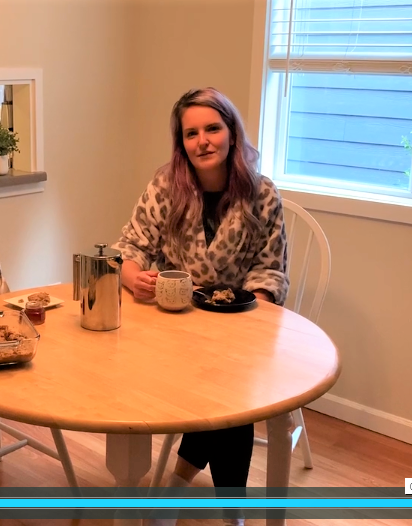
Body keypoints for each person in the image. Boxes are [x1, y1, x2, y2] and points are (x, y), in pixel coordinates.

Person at [111, 87, 290, 526]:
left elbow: (270, 272)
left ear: (232, 133)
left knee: (230, 396)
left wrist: (248, 312)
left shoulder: (261, 193)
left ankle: (199, 500)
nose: (203, 141)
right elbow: (129, 246)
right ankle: (228, 510)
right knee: (215, 394)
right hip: (173, 324)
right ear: (181, 142)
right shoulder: (165, 185)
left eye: (213, 128)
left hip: (242, 326)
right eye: (191, 133)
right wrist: (136, 279)